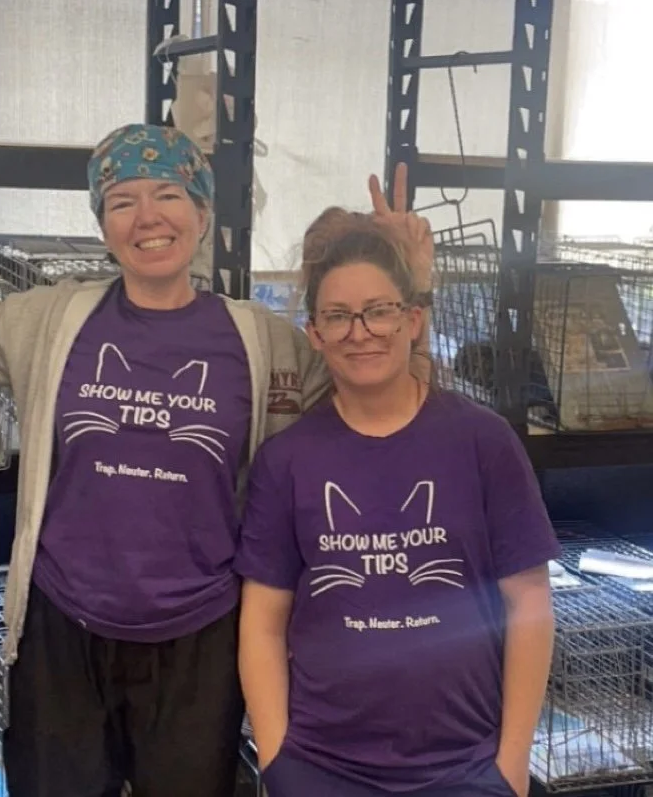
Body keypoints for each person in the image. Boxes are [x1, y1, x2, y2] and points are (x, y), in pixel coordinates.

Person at [0, 97, 436, 796]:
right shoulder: (51, 320)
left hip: (201, 638)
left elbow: (391, 399)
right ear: (103, 226)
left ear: (203, 215)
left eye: (168, 195)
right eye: (122, 201)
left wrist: (411, 279)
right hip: (63, 634)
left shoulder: (261, 341)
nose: (147, 217)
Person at [235, 210, 557, 797]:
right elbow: (262, 620)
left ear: (413, 319)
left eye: (379, 311)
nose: (360, 332)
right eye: (338, 316)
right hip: (321, 769)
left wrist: (512, 762)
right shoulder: (287, 460)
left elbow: (529, 600)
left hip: (464, 767)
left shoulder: (483, 441)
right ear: (315, 333)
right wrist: (279, 758)